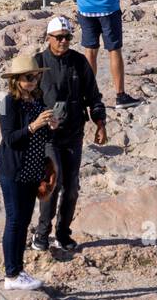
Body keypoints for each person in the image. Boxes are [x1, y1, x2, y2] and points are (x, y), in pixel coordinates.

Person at [31, 14, 106, 254]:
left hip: (74, 133)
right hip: (47, 136)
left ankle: (63, 234)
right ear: (48, 38)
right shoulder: (37, 63)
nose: (64, 42)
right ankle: (42, 234)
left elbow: (93, 96)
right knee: (52, 183)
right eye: (59, 38)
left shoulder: (80, 62)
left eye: (67, 37)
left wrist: (100, 122)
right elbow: (24, 99)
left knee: (72, 187)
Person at [0, 51, 55, 290]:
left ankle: (19, 270)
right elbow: (10, 139)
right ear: (16, 79)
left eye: (35, 76)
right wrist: (33, 125)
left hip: (32, 172)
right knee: (14, 220)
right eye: (28, 77)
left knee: (23, 222)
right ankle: (11, 274)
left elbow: (41, 138)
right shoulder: (7, 102)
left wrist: (51, 126)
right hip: (13, 172)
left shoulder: (37, 99)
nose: (33, 81)